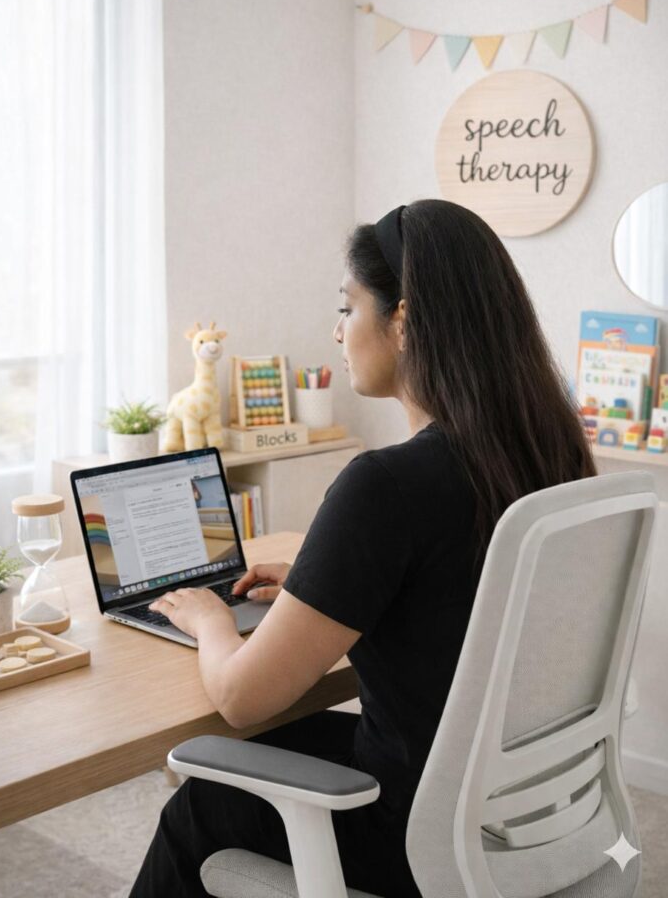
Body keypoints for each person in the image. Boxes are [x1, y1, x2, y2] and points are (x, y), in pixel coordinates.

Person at [129, 199, 595, 898]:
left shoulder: (387, 485)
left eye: (348, 308)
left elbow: (241, 697)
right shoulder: (548, 453)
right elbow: (460, 585)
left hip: (420, 831)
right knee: (261, 755)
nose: (337, 331)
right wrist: (328, 583)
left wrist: (209, 621)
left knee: (205, 799)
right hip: (509, 806)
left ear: (402, 322)